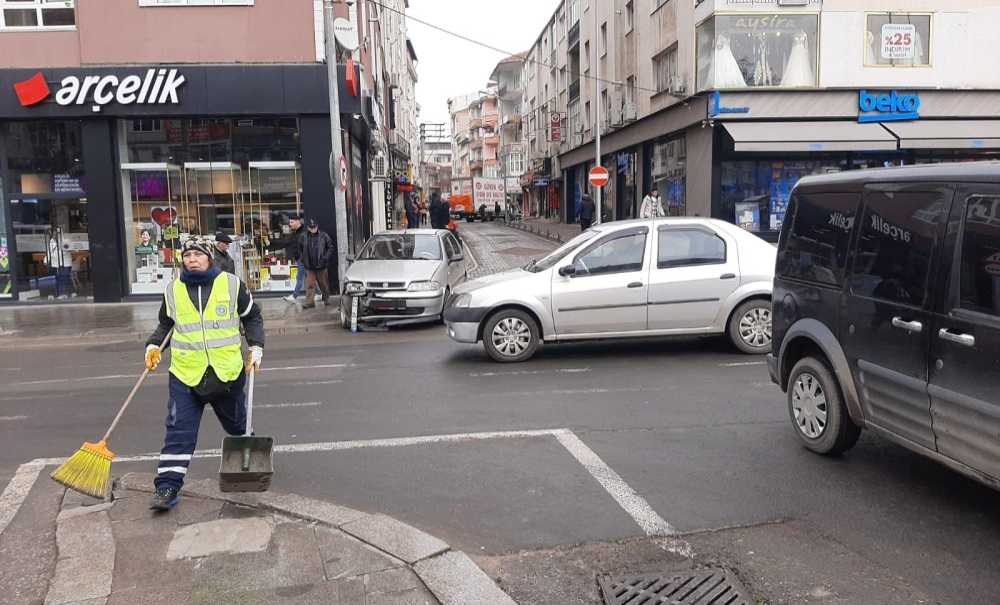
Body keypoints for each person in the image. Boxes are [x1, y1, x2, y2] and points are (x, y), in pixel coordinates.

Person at [142, 237, 264, 511]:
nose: (192, 259)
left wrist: (256, 346)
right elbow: (166, 325)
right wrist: (152, 345)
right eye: (187, 256)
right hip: (186, 374)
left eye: (198, 254)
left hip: (227, 373)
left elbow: (252, 317)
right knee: (178, 432)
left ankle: (249, 458)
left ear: (209, 257)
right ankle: (167, 487)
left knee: (238, 426)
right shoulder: (173, 290)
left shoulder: (232, 285)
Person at [299, 218, 334, 308]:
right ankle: (310, 302)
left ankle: (326, 299)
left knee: (324, 284)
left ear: (317, 226)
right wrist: (302, 258)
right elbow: (299, 248)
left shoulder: (323, 235)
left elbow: (330, 247)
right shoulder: (303, 236)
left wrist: (325, 258)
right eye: (311, 227)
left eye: (314, 227)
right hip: (309, 266)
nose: (313, 229)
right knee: (310, 285)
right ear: (308, 228)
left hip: (321, 265)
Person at [283, 213, 306, 303]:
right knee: (310, 277)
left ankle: (294, 296)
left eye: (292, 222)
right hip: (300, 258)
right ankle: (320, 294)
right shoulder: (296, 232)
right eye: (290, 222)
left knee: (299, 277)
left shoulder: (303, 232)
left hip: (303, 259)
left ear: (297, 221)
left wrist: (302, 258)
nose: (290, 224)